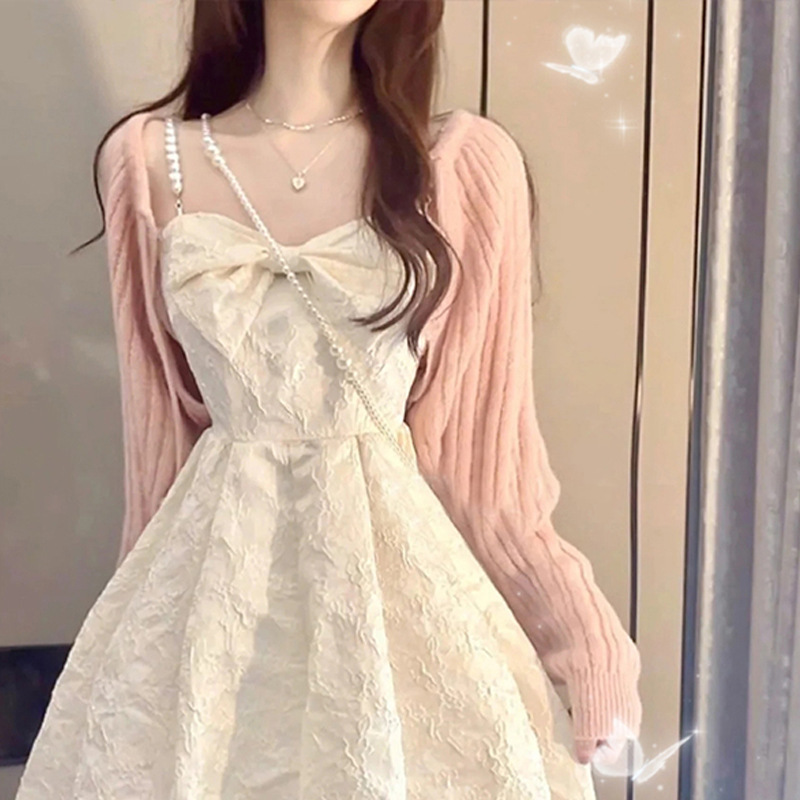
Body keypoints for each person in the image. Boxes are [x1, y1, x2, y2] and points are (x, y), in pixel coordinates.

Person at [16, 1, 641, 797]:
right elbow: (158, 465)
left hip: (397, 627)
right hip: (212, 630)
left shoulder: (461, 164)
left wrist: (586, 644)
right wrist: (130, 662)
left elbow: (485, 476)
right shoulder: (143, 161)